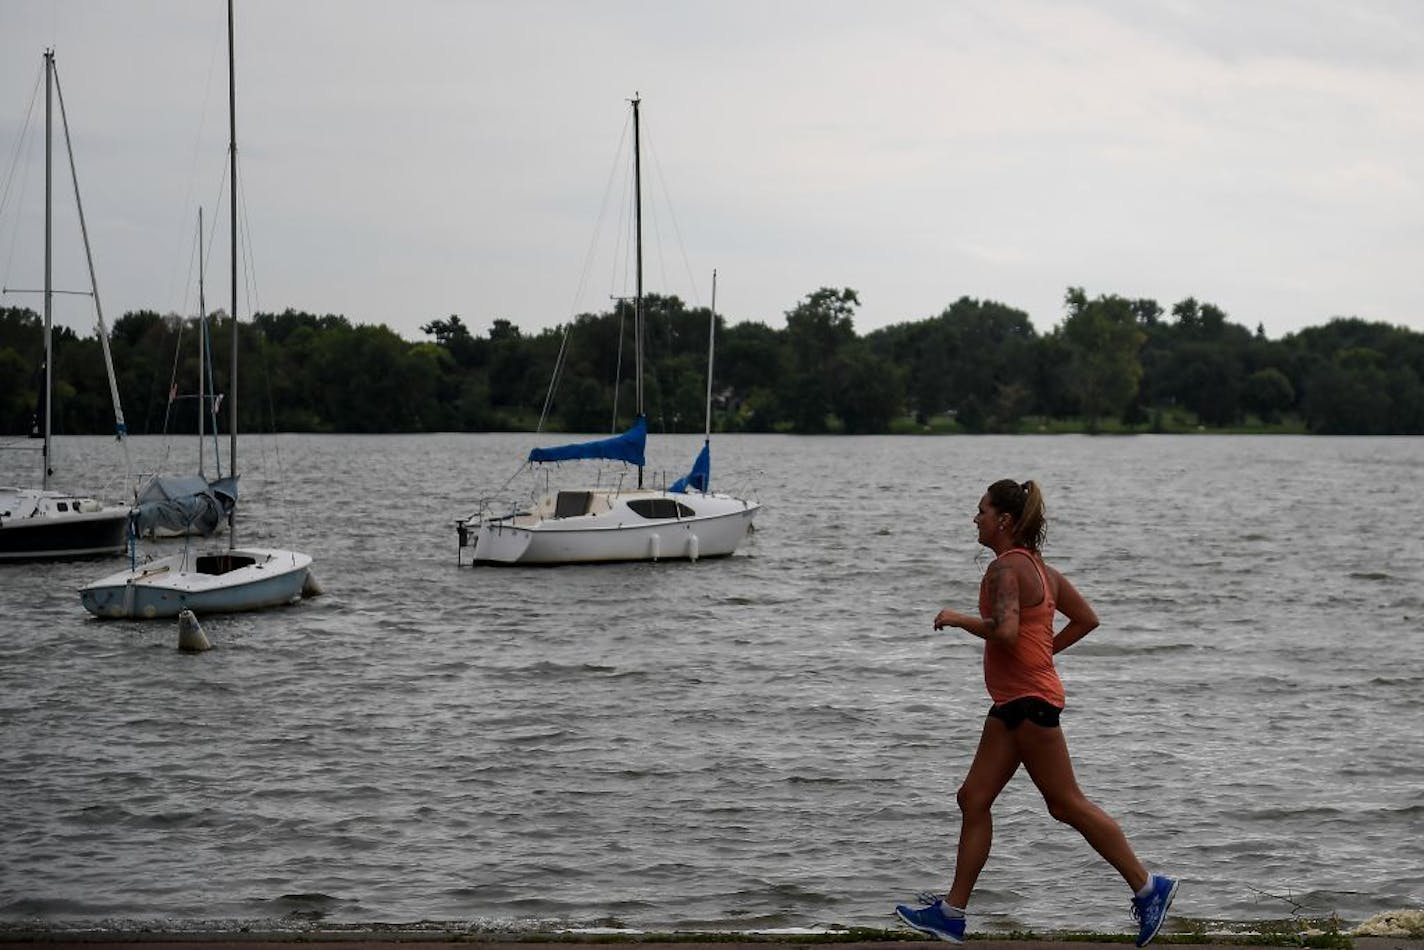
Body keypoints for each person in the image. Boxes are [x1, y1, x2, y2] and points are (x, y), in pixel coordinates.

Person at [893, 478, 1177, 946]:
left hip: (1028, 704)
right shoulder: (1043, 571)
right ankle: (951, 914)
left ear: (1003, 520)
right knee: (974, 798)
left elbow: (1005, 633)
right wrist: (1044, 655)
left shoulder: (1005, 570)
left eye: (981, 511)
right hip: (1013, 703)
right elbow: (1086, 619)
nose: (975, 518)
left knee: (1067, 803)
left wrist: (958, 617)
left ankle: (1149, 888)